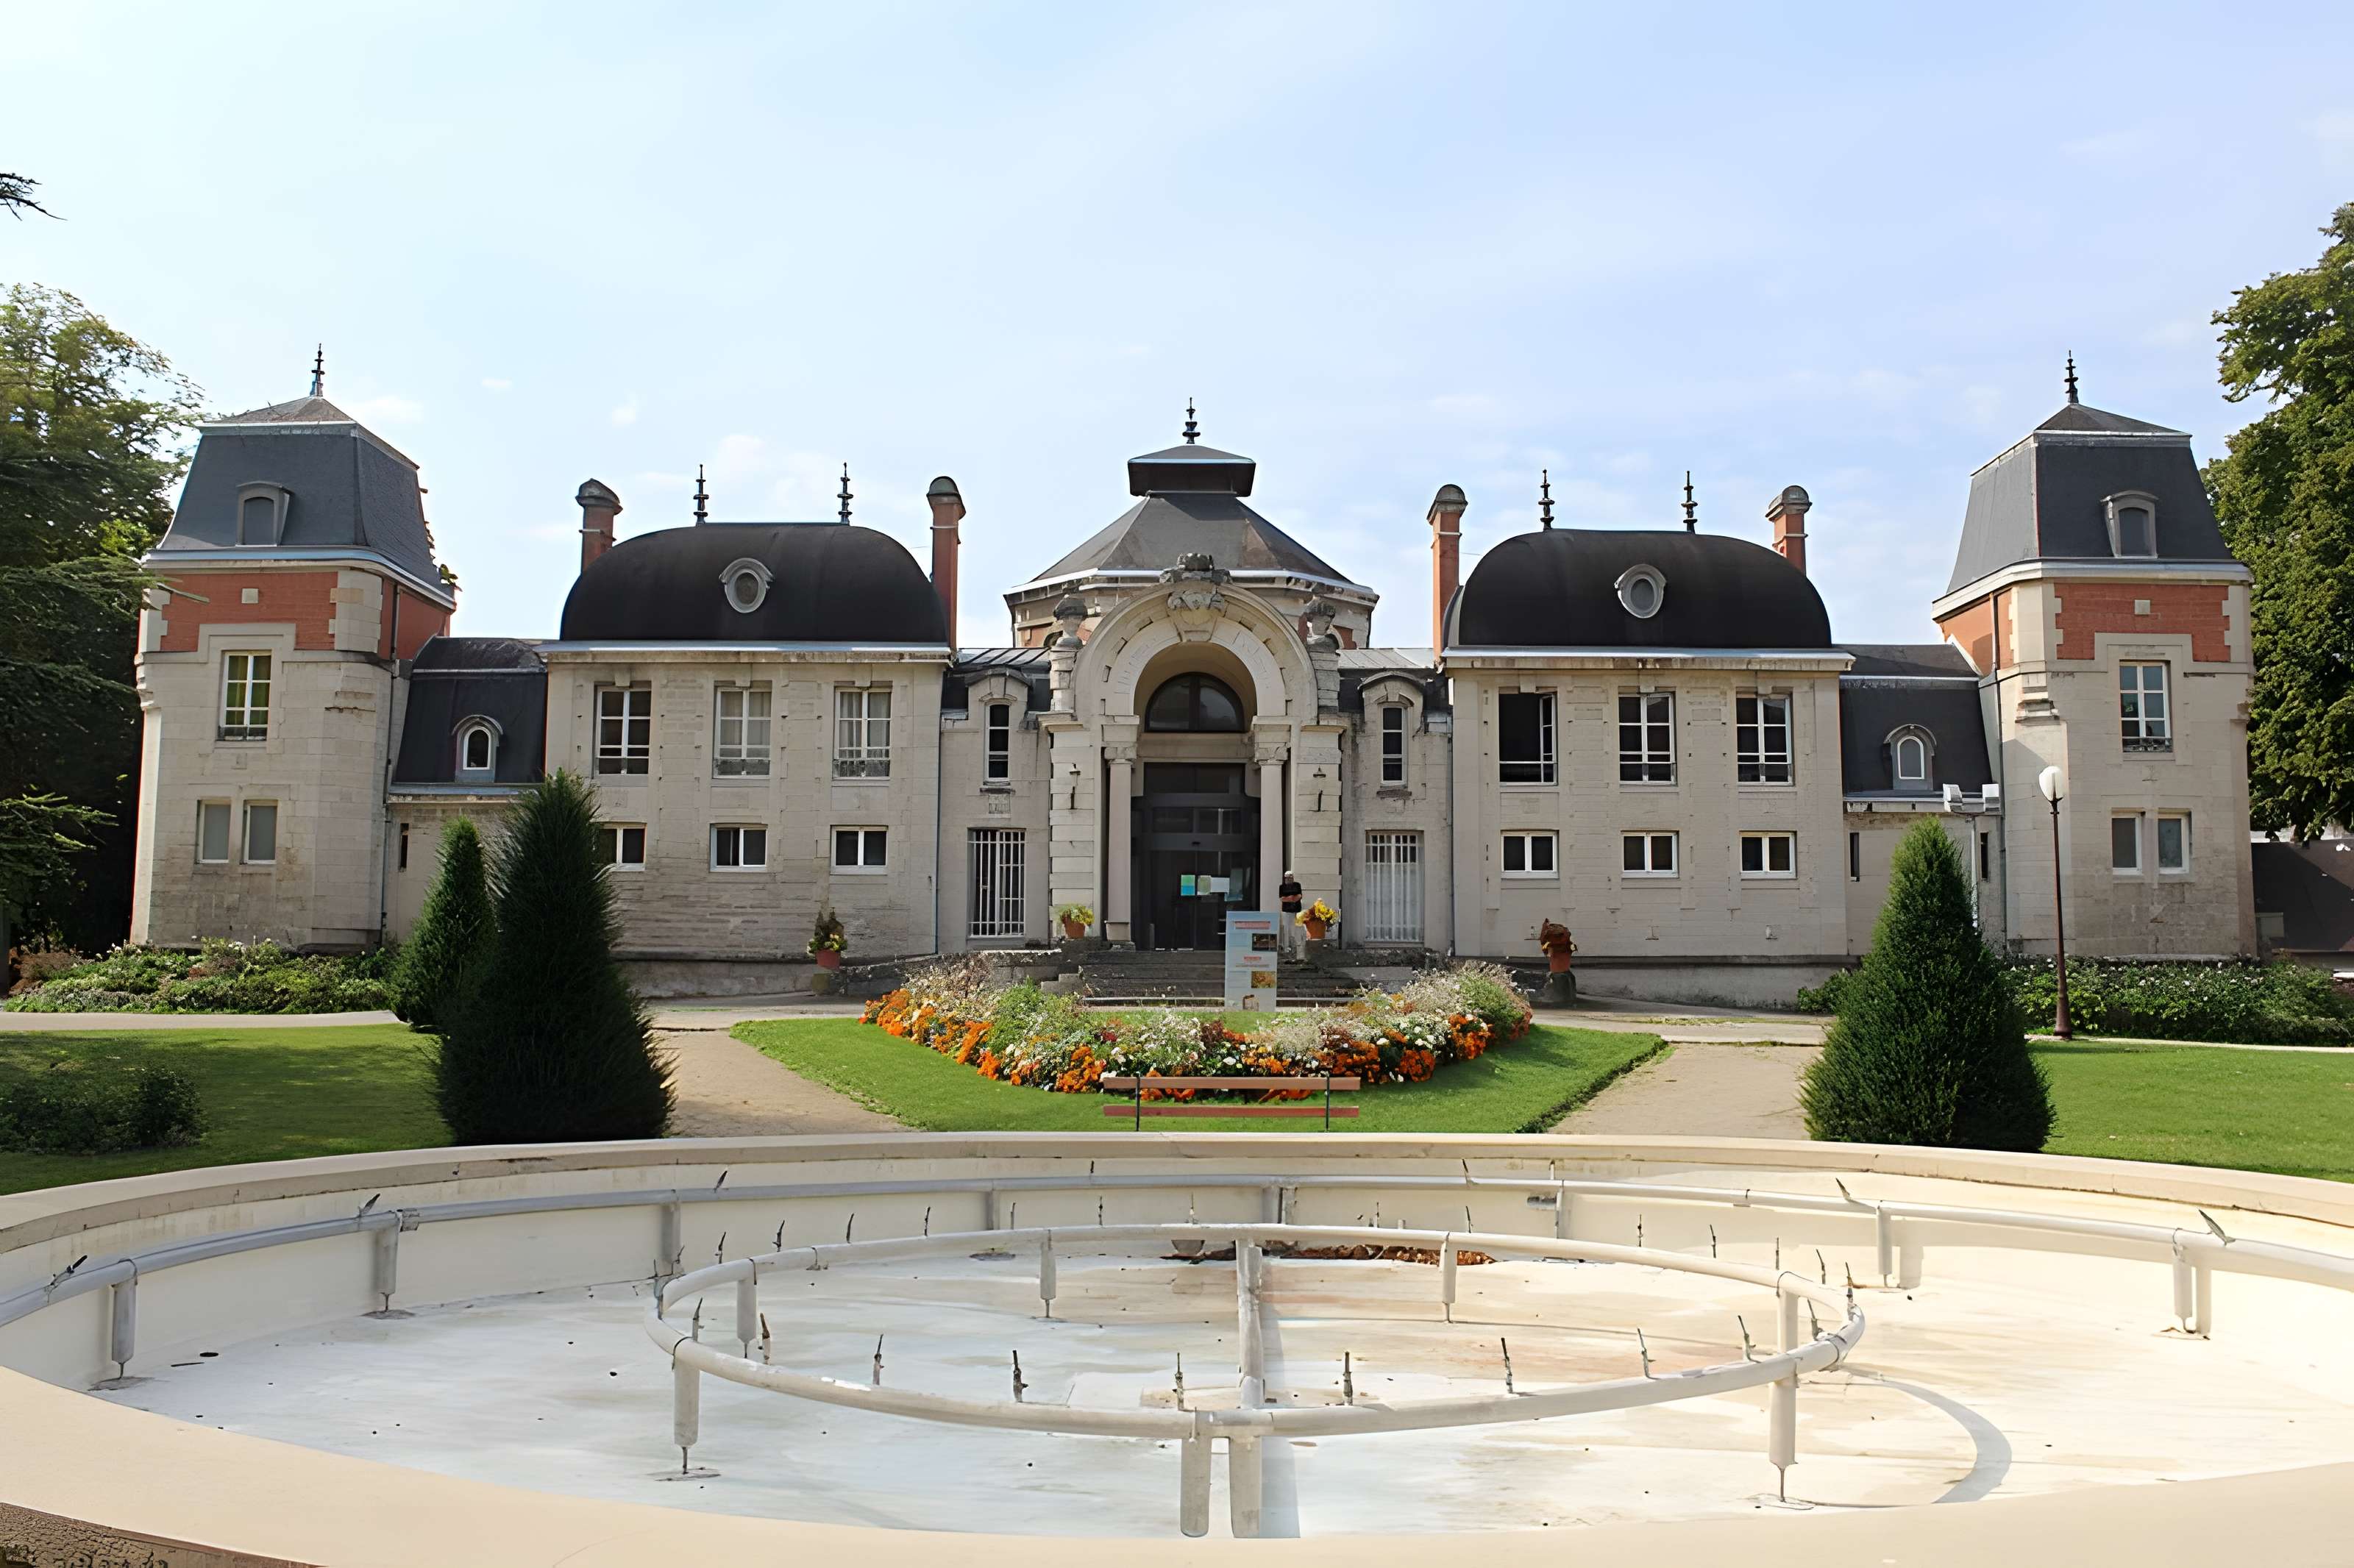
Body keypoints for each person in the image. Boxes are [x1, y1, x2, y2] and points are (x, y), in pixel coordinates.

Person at [1278, 869, 1304, 954]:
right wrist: (1292, 898)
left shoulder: (1297, 885)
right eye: (1287, 878)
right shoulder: (1282, 887)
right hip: (1286, 911)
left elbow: (1299, 896)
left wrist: (1290, 898)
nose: (1288, 879)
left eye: (1290, 878)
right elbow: (1282, 899)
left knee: (1297, 929)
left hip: (1297, 911)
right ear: (1285, 878)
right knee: (1286, 929)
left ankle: (1296, 947)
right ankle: (1286, 948)